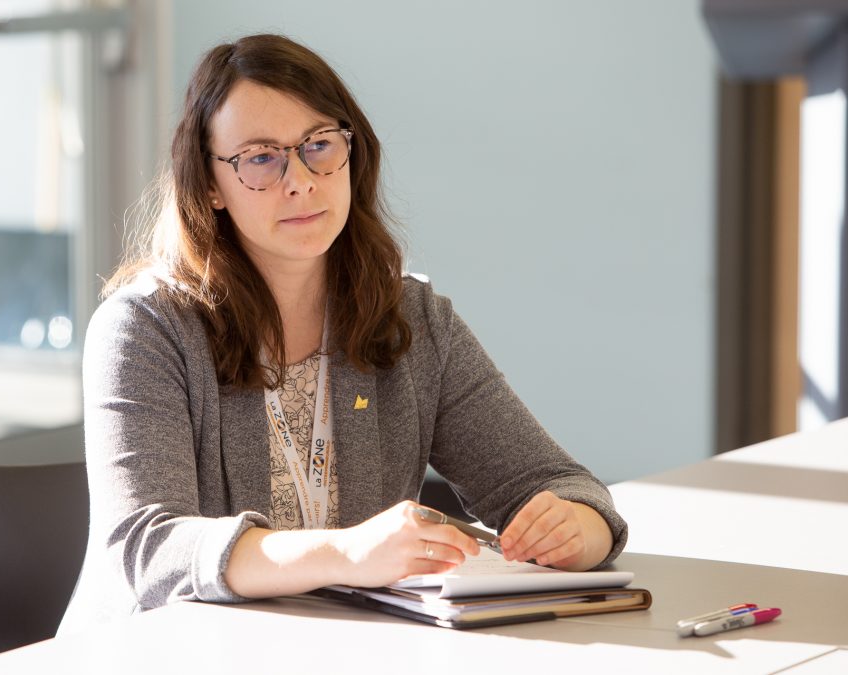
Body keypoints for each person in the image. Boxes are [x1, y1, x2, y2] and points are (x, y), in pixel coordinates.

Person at [58, 33, 627, 633]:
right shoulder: (144, 329)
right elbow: (148, 549)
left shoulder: (410, 316)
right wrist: (348, 553)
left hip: (338, 650)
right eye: (260, 158)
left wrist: (576, 531)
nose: (300, 180)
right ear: (208, 187)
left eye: (319, 146)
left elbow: (553, 483)